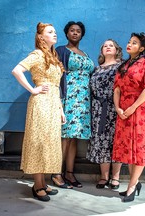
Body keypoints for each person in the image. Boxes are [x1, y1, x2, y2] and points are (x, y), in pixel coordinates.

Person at [11, 22, 66, 202]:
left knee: (48, 142)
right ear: (41, 37)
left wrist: (60, 109)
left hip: (52, 102)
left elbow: (56, 86)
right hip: (41, 103)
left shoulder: (52, 55)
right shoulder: (37, 54)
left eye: (55, 31)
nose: (55, 34)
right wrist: (33, 90)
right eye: (50, 32)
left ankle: (42, 182)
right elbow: (17, 70)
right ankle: (37, 184)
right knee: (39, 141)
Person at [112, 32, 145, 202]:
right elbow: (117, 88)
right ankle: (134, 183)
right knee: (129, 150)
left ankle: (132, 186)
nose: (129, 44)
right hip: (123, 112)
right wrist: (118, 108)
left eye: (134, 43)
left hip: (139, 110)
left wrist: (132, 107)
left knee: (139, 149)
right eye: (129, 42)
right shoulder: (123, 66)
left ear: (141, 48)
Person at [51, 21, 94, 188]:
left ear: (81, 35)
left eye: (78, 31)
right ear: (67, 33)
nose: (75, 33)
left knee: (74, 138)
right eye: (72, 30)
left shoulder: (85, 54)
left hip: (83, 101)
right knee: (65, 137)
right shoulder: (61, 51)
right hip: (68, 98)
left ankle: (69, 173)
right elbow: (54, 74)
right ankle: (56, 173)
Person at [86, 39, 123, 189]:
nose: (108, 47)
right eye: (105, 46)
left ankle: (116, 177)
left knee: (116, 141)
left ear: (116, 50)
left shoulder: (121, 67)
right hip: (98, 109)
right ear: (102, 51)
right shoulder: (96, 69)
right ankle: (104, 176)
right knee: (101, 141)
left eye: (111, 45)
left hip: (115, 108)